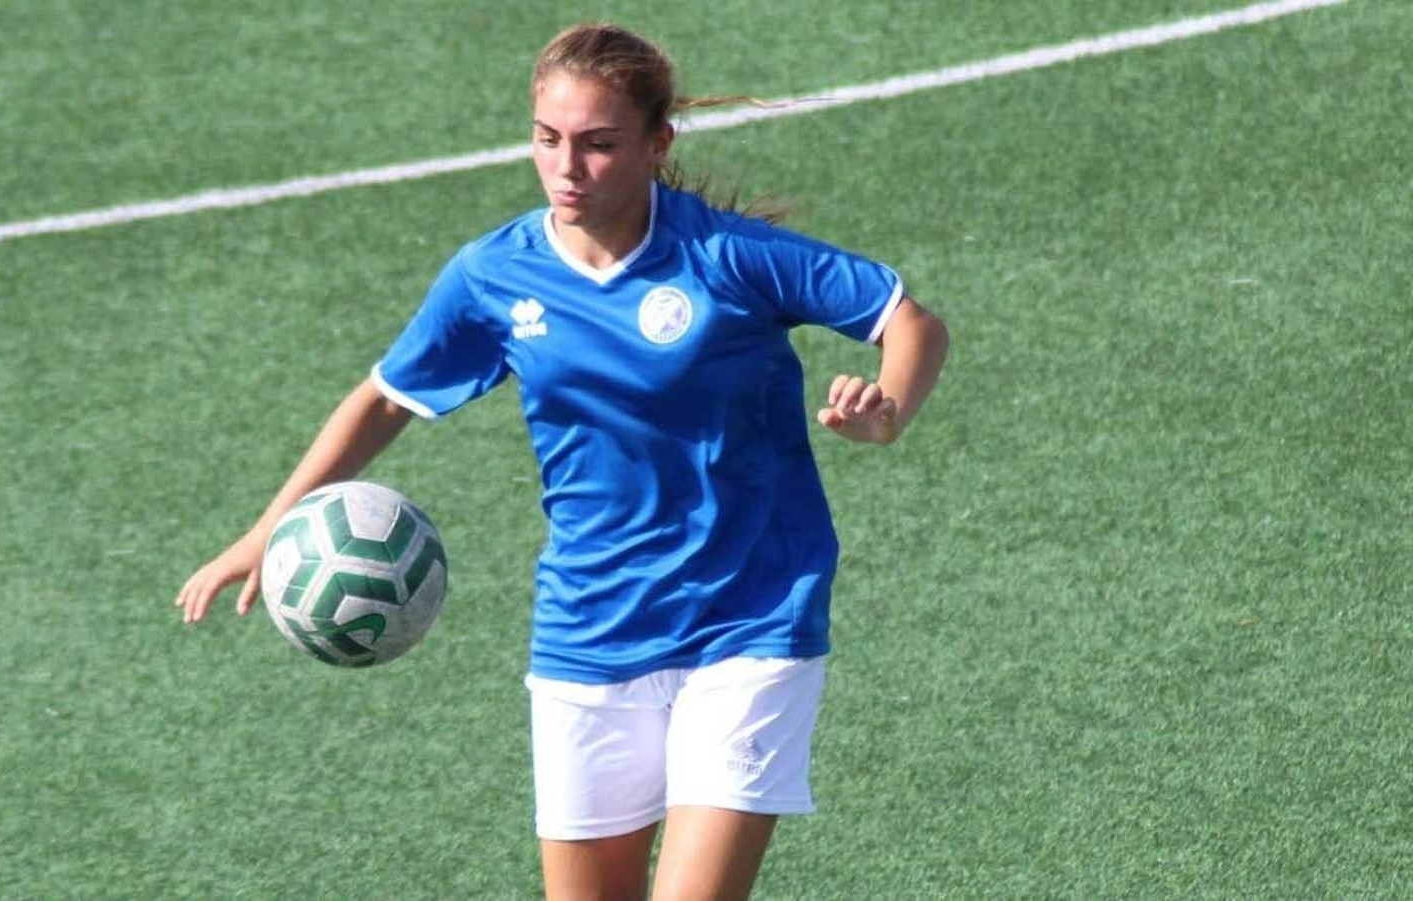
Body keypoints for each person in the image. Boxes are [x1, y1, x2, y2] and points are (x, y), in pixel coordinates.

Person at [176, 22, 948, 901]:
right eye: (548, 140)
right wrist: (267, 527)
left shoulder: (727, 257)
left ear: (658, 144)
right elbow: (387, 396)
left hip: (749, 624)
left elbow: (907, 319)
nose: (567, 168)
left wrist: (886, 411)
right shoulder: (495, 276)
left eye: (598, 144)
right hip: (590, 633)